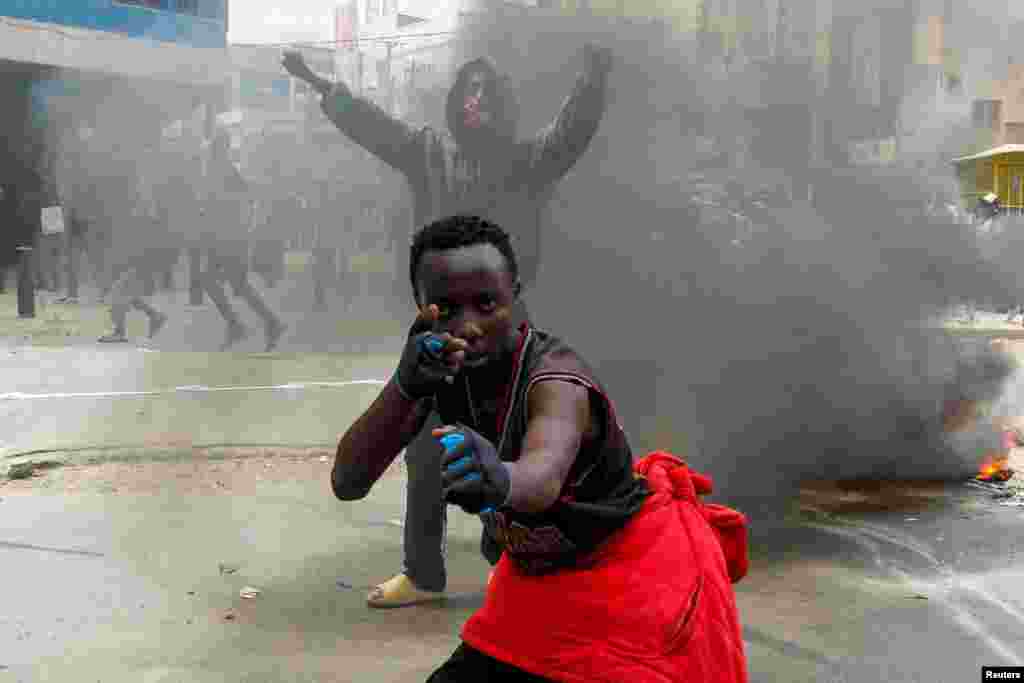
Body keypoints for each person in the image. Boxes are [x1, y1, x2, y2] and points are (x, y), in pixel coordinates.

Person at [332, 215, 749, 681]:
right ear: (421, 306)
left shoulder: (555, 376)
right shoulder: (436, 369)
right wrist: (404, 386)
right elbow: (348, 482)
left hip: (627, 573)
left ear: (515, 293)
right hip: (539, 577)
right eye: (446, 308)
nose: (468, 326)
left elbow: (543, 475)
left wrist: (501, 479)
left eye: (486, 303)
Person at [283, 41, 614, 607]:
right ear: (455, 102)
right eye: (468, 89)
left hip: (507, 332)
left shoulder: (525, 160)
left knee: (512, 447)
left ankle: (510, 565)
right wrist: (321, 84)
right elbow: (374, 126)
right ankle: (423, 570)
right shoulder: (427, 152)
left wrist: (592, 80)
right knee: (425, 449)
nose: (476, 99)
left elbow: (568, 137)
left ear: (502, 105)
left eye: (487, 91)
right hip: (440, 331)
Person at [199, 131, 287, 351]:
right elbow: (238, 200)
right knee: (235, 285)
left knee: (220, 281)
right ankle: (266, 323)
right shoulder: (220, 170)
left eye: (216, 147)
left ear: (221, 148)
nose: (212, 151)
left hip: (229, 238)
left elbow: (245, 199)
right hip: (224, 237)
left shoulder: (225, 171)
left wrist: (239, 224)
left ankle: (243, 325)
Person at [97, 145, 169, 343]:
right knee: (127, 291)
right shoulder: (144, 192)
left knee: (117, 293)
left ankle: (120, 332)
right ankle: (155, 316)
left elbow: (143, 226)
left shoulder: (143, 194)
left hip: (141, 255)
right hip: (140, 254)